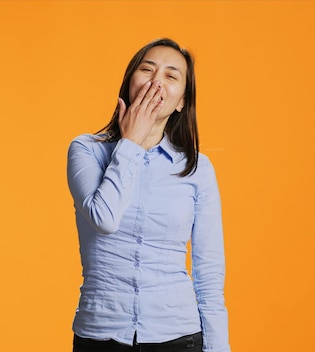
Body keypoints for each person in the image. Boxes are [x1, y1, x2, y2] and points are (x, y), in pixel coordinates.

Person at [67, 38, 230, 352]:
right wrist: (131, 143)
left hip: (178, 337)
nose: (156, 81)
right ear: (130, 83)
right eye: (147, 70)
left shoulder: (198, 168)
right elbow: (105, 219)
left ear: (182, 101)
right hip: (101, 337)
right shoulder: (86, 150)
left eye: (171, 76)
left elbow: (209, 272)